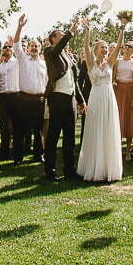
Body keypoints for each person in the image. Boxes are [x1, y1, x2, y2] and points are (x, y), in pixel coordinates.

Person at [76, 20, 125, 181]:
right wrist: (87, 31)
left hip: (109, 98)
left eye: (106, 47)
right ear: (96, 50)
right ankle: (93, 166)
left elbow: (118, 47)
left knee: (108, 129)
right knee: (95, 129)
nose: (105, 49)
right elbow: (85, 47)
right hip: (96, 98)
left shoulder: (110, 62)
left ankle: (108, 168)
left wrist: (122, 28)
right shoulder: (90, 63)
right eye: (102, 47)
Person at [44, 17, 84, 181]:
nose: (63, 39)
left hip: (71, 100)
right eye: (60, 36)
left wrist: (81, 101)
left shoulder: (69, 57)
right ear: (53, 39)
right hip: (57, 97)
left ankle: (69, 170)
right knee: (53, 136)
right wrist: (71, 31)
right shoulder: (49, 52)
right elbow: (57, 49)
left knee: (69, 136)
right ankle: (50, 171)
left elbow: (74, 81)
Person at [11, 15, 48, 166]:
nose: (34, 48)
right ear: (29, 48)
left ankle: (38, 155)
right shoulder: (22, 58)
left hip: (39, 99)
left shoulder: (44, 64)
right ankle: (18, 157)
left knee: (38, 130)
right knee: (19, 129)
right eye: (32, 45)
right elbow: (16, 44)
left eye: (36, 46)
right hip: (23, 98)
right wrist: (20, 27)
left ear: (40, 49)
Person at [115, 39, 133, 160]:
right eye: (126, 46)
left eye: (130, 47)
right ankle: (116, 148)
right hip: (118, 90)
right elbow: (113, 77)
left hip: (130, 90)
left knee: (130, 118)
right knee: (119, 117)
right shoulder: (117, 61)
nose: (127, 48)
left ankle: (128, 150)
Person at [0, 40, 20, 161]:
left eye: (9, 47)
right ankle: (4, 152)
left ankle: (17, 153)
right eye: (5, 47)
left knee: (16, 126)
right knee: (3, 126)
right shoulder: (0, 66)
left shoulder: (18, 62)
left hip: (16, 96)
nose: (7, 48)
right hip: (3, 97)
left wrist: (14, 42)